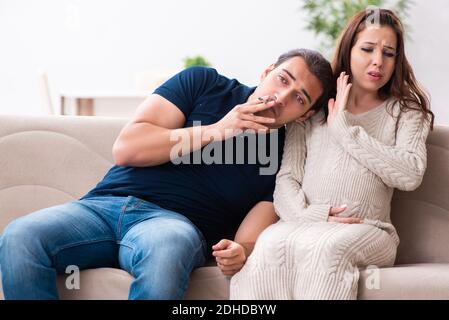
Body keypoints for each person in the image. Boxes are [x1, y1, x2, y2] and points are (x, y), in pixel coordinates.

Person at [0, 49, 335, 299]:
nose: (281, 97)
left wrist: (239, 251)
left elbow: (250, 231)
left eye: (298, 98)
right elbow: (127, 147)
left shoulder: (287, 156)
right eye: (283, 79)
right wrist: (218, 130)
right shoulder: (204, 83)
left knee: (167, 252)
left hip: (172, 226)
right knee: (20, 237)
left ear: (303, 116)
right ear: (267, 71)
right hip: (103, 207)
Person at [228, 9, 435, 299]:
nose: (378, 61)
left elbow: (410, 173)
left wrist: (346, 132)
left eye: (389, 53)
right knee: (270, 245)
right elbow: (287, 179)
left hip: (370, 230)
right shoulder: (315, 108)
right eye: (367, 49)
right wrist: (311, 216)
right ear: (349, 48)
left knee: (328, 249)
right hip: (303, 224)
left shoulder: (406, 111)